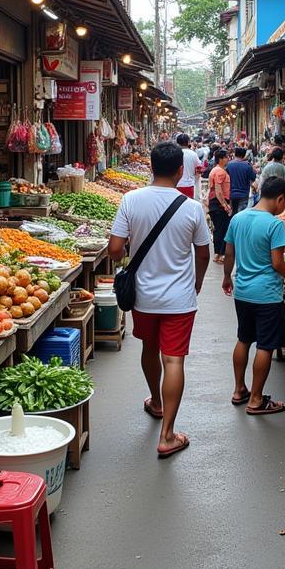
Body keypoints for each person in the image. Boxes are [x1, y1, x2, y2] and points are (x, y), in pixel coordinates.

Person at [108, 142, 211, 459]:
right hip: (179, 300)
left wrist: (130, 253)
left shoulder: (130, 200)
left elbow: (114, 249)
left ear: (151, 167)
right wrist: (196, 282)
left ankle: (155, 399)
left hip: (144, 297)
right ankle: (167, 435)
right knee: (174, 361)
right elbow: (204, 252)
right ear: (181, 171)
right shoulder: (191, 208)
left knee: (148, 349)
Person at [222, 177, 285, 414]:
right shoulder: (274, 225)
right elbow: (277, 264)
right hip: (266, 294)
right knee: (265, 345)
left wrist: (227, 278)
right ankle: (255, 400)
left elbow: (229, 254)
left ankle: (239, 389)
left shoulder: (238, 218)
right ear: (280, 199)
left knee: (244, 338)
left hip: (242, 291)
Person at [206, 148, 231, 263]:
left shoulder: (214, 170)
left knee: (218, 230)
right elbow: (218, 190)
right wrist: (225, 205)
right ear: (221, 159)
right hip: (218, 204)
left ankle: (218, 254)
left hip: (214, 203)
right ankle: (220, 254)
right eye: (226, 157)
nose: (228, 159)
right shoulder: (220, 172)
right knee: (223, 229)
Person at [225, 147, 257, 215]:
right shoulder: (247, 166)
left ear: (235, 154)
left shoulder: (229, 165)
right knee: (241, 215)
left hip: (231, 194)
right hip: (244, 194)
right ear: (244, 155)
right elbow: (253, 178)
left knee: (232, 214)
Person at [175, 133, 202, 200]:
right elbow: (199, 169)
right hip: (189, 185)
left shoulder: (174, 153)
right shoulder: (193, 154)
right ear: (188, 142)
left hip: (176, 185)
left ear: (177, 143)